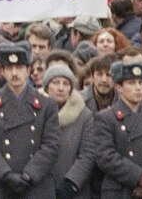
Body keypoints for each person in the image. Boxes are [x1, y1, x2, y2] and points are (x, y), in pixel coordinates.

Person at [0, 41, 61, 199]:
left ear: (28, 70)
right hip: (0, 186)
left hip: (36, 185)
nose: (14, 73)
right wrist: (5, 175)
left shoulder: (46, 105)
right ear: (2, 71)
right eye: (9, 68)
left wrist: (29, 175)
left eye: (19, 67)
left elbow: (51, 145)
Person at [89, 61, 142, 198]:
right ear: (119, 87)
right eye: (131, 83)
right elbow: (105, 156)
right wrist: (139, 177)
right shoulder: (106, 118)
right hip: (120, 191)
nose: (138, 88)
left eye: (141, 83)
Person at [43, 63, 93, 199]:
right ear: (47, 87)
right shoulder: (35, 113)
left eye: (66, 84)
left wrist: (71, 183)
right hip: (39, 187)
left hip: (73, 191)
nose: (61, 88)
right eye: (55, 82)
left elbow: (88, 154)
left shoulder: (84, 116)